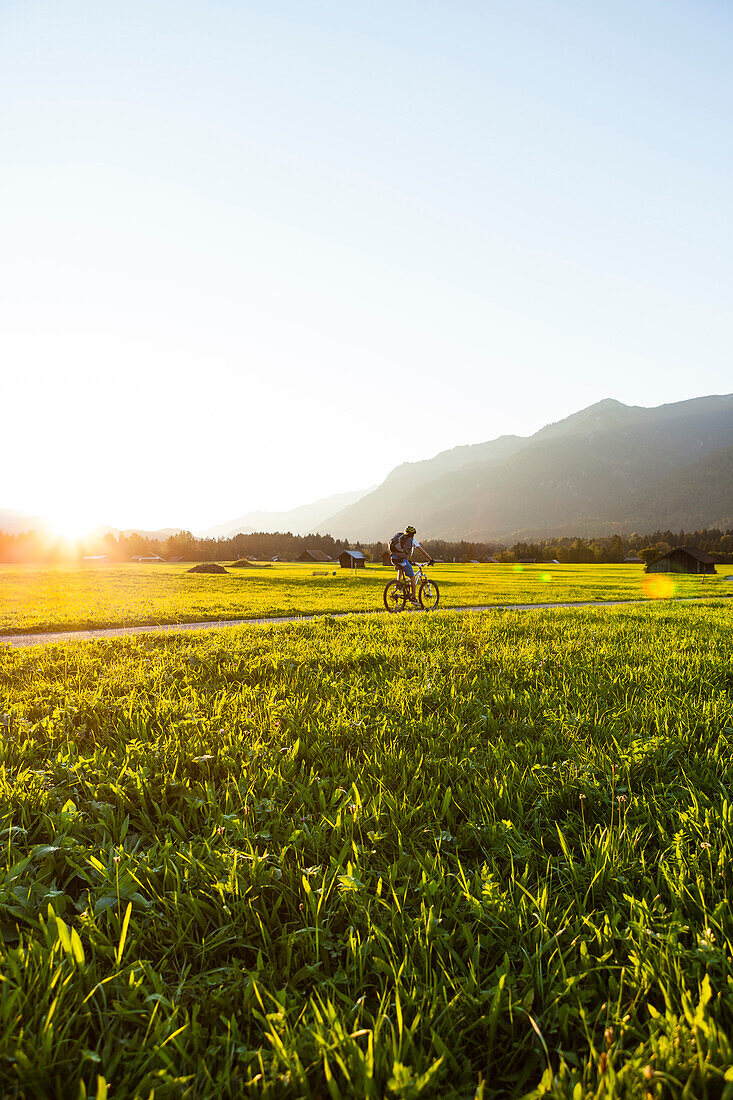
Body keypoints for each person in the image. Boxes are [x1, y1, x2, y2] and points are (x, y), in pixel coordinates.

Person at [389, 525, 434, 607]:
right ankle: (413, 597)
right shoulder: (411, 540)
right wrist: (430, 559)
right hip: (402, 559)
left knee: (401, 568)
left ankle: (398, 584)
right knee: (412, 578)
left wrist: (408, 560)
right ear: (413, 534)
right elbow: (422, 551)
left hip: (393, 558)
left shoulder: (399, 537)